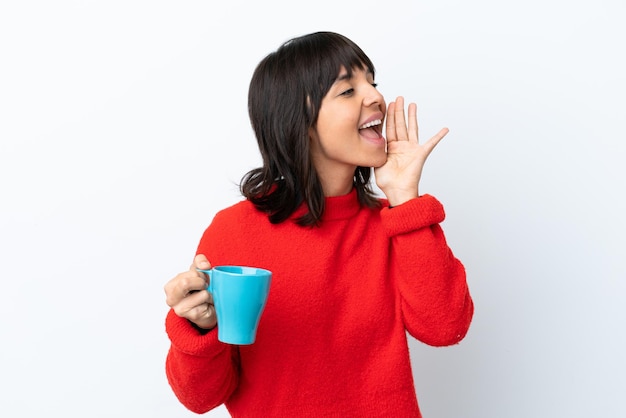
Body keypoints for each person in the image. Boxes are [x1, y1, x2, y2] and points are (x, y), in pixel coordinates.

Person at [163, 31, 473, 418]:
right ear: (301, 121)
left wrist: (404, 197)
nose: (375, 97)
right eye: (347, 91)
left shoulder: (394, 223)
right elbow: (200, 398)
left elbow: (445, 326)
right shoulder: (234, 232)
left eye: (372, 82)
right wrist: (199, 327)